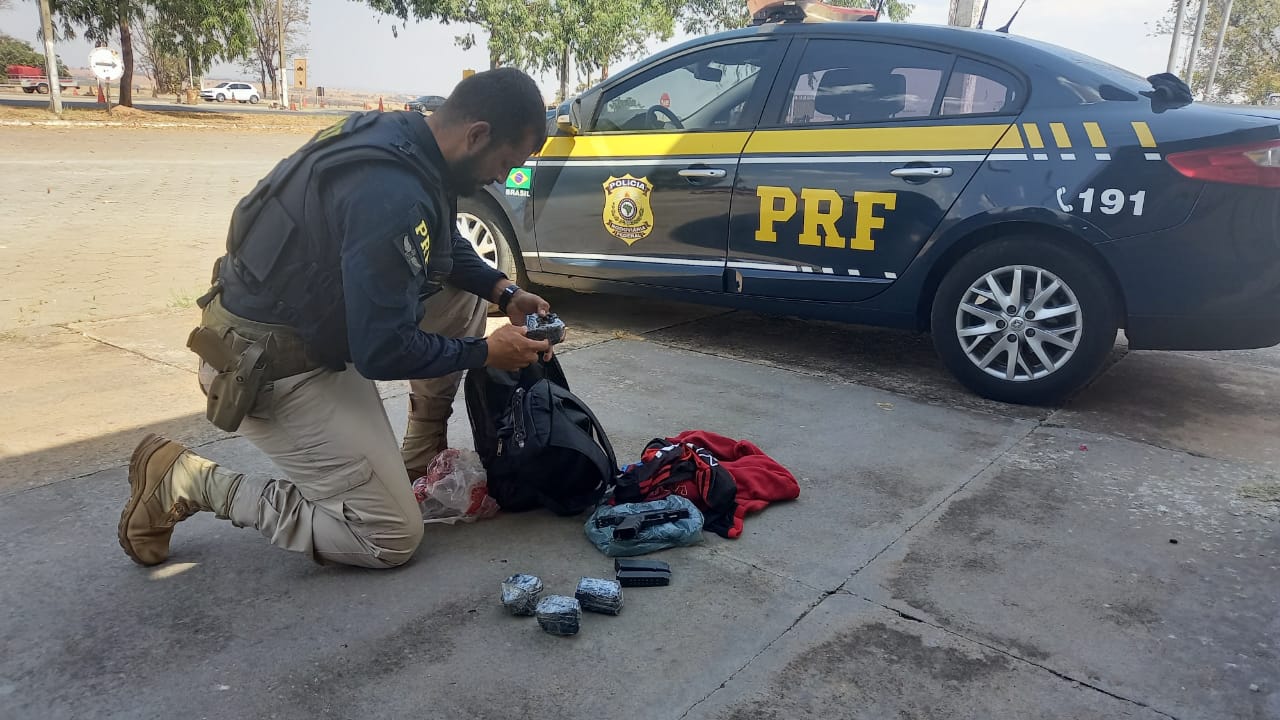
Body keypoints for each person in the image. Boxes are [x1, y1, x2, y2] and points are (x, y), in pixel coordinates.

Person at [118, 68, 554, 570]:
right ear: (476, 134)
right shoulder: (390, 192)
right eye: (504, 161)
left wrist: (505, 290)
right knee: (389, 535)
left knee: (464, 292)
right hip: (266, 365)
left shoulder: (407, 140)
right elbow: (381, 350)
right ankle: (188, 479)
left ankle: (417, 452)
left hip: (315, 327)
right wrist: (485, 352)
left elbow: (440, 238)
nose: (502, 177)